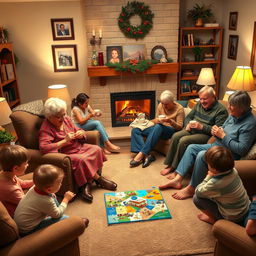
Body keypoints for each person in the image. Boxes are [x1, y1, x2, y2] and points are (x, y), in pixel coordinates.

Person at [159, 91, 256, 200]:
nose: (228, 107)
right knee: (191, 148)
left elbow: (241, 149)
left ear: (242, 108)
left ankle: (192, 188)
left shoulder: (250, 124)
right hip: (216, 145)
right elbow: (223, 128)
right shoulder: (234, 115)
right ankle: (178, 179)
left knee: (202, 155)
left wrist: (223, 136)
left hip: (227, 154)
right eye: (228, 104)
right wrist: (216, 131)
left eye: (231, 106)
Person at [39, 97, 117, 203]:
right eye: (59, 116)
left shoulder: (66, 119)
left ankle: (89, 182)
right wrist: (64, 141)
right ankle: (95, 181)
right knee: (82, 160)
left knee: (97, 149)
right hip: (65, 153)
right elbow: (43, 147)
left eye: (64, 114)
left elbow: (78, 129)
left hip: (78, 146)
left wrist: (81, 134)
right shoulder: (46, 128)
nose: (63, 118)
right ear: (49, 117)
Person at [161, 85, 228, 177]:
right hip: (193, 129)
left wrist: (202, 127)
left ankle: (175, 168)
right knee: (176, 136)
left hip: (206, 135)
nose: (202, 101)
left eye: (205, 99)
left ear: (213, 97)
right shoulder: (199, 104)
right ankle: (170, 164)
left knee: (184, 141)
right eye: (200, 99)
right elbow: (188, 117)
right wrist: (188, 124)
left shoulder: (221, 110)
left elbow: (217, 131)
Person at [14, 164, 88, 236]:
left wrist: (51, 195)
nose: (61, 184)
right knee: (65, 218)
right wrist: (66, 199)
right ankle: (77, 225)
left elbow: (48, 198)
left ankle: (55, 211)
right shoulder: (45, 200)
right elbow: (57, 215)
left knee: (52, 197)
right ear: (49, 189)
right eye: (59, 183)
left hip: (23, 223)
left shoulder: (34, 188)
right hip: (29, 230)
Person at [193, 146, 250, 225]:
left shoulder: (215, 183)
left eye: (208, 164)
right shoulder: (233, 171)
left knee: (197, 199)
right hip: (246, 208)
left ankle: (213, 219)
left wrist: (208, 176)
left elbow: (198, 191)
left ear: (214, 169)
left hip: (233, 217)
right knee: (213, 194)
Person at [130, 90, 185, 168]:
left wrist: (170, 121)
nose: (164, 106)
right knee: (136, 130)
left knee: (158, 127)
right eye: (162, 104)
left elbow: (179, 127)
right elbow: (156, 120)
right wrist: (155, 121)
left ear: (172, 101)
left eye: (166, 104)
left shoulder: (180, 109)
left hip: (170, 130)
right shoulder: (160, 105)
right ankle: (147, 156)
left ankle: (141, 154)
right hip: (158, 128)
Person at [0, 145, 33, 217]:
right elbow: (28, 204)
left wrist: (36, 181)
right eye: (26, 163)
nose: (28, 165)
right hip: (19, 216)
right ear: (16, 168)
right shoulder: (11, 190)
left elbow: (22, 183)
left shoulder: (5, 174)